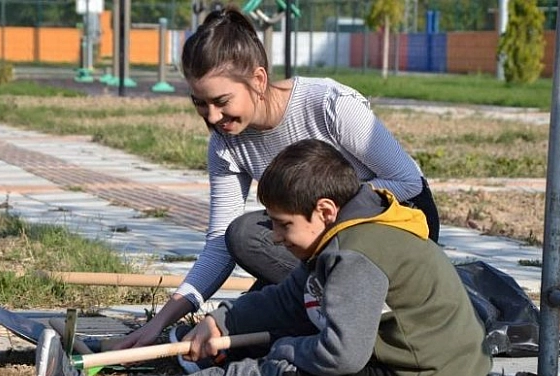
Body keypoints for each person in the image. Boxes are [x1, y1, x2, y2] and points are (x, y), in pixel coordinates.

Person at [36, 139, 490, 376]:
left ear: (325, 210)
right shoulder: (347, 233)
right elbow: (289, 299)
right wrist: (220, 320)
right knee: (262, 365)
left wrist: (286, 349)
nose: (273, 236)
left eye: (282, 225)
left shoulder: (355, 254)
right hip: (412, 370)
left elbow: (341, 356)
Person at [111, 5, 440, 352]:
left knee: (252, 234)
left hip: (401, 227)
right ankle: (297, 319)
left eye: (221, 101)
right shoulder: (225, 145)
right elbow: (220, 243)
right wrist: (161, 320)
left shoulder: (329, 105)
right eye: (200, 104)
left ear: (258, 80)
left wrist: (320, 213)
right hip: (325, 243)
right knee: (243, 258)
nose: (213, 116)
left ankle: (397, 304)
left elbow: (408, 182)